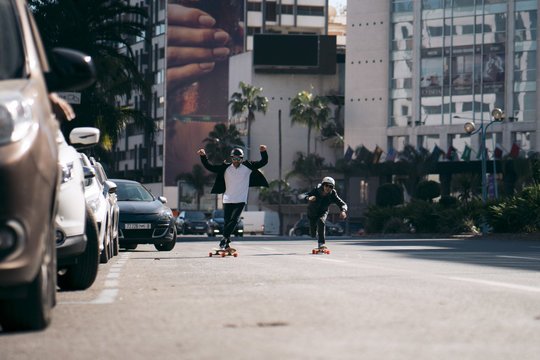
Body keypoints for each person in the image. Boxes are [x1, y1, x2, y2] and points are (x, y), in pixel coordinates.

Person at [198, 145, 269, 249]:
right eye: (234, 158)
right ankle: (227, 242)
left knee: (234, 220)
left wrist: (263, 152)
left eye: (239, 159)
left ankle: (223, 238)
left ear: (242, 159)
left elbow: (263, 162)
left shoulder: (248, 167)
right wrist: (203, 156)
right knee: (227, 222)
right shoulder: (225, 168)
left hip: (240, 200)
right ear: (231, 158)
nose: (236, 161)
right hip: (227, 199)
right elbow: (210, 167)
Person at [305, 177, 347, 249]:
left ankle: (321, 243)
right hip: (312, 212)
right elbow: (303, 195)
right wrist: (309, 198)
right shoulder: (316, 190)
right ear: (323, 185)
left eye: (330, 186)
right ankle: (313, 232)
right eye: (326, 185)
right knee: (313, 234)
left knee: (321, 221)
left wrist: (343, 211)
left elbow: (342, 203)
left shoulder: (333, 194)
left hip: (323, 212)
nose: (328, 188)